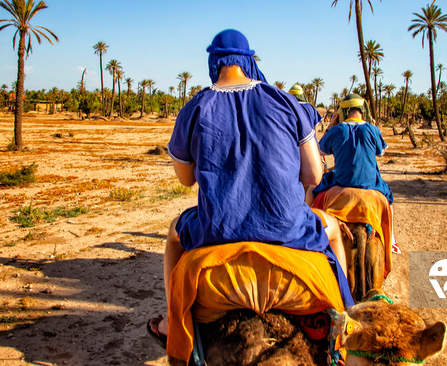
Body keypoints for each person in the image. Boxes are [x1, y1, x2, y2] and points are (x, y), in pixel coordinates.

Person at [147, 29, 352, 346]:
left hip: (216, 231)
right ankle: (346, 319)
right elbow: (312, 176)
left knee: (174, 233)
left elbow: (186, 179)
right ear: (249, 61)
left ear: (214, 61)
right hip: (290, 231)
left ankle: (174, 324)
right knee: (335, 228)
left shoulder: (195, 107)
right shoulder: (285, 102)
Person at [308, 93, 400, 253]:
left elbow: (320, 150)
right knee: (388, 202)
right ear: (363, 110)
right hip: (371, 182)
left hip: (341, 180)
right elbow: (381, 152)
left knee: (312, 191)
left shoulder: (337, 130)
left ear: (342, 113)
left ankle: (309, 228)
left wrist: (330, 126)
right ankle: (391, 239)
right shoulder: (372, 129)